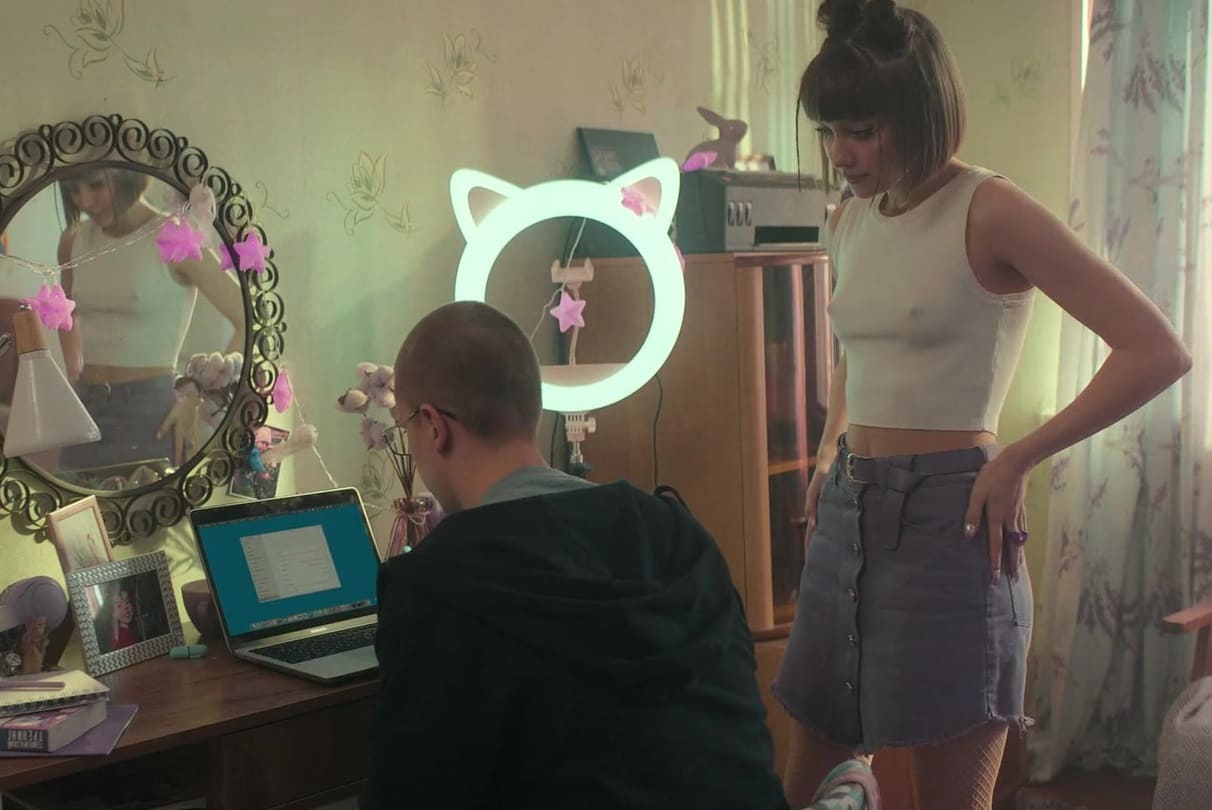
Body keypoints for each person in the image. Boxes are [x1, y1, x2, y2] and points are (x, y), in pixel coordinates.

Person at [773, 2, 1193, 809]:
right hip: (848, 515)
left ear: (921, 114)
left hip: (949, 518)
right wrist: (830, 451)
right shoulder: (849, 218)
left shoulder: (990, 209)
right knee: (805, 787)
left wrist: (1019, 457)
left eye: (860, 131)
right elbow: (858, 350)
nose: (840, 154)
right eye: (827, 132)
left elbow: (1157, 350)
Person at [362, 301, 788, 810]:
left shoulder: (434, 583)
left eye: (405, 427)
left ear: (434, 426)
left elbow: (407, 791)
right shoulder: (675, 533)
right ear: (533, 408)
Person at [55, 168, 244, 470]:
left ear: (128, 176)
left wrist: (196, 395)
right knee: (71, 499)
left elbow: (248, 320)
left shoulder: (175, 234)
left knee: (150, 500)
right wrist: (73, 373)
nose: (85, 201)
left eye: (96, 185)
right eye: (73, 190)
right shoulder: (73, 240)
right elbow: (67, 312)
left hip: (151, 411)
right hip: (85, 405)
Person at [94, 581, 137, 654]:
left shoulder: (123, 632)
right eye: (119, 605)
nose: (126, 608)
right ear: (111, 611)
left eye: (127, 602)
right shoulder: (123, 636)